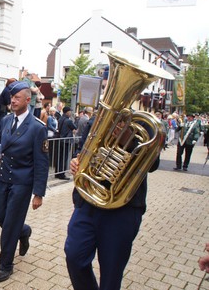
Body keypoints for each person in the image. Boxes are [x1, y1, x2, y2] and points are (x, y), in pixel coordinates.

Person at [65, 118, 160, 290]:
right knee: (74, 256)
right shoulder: (96, 120)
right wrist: (75, 162)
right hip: (88, 202)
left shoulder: (144, 125)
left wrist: (128, 140)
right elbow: (82, 152)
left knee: (111, 274)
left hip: (122, 208)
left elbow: (153, 164)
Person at [0, 81, 49, 283]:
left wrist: (38, 193)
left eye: (16, 98)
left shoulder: (37, 127)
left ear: (27, 99)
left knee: (10, 225)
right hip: (4, 177)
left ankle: (6, 265)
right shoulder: (6, 121)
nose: (12, 101)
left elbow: (42, 163)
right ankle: (24, 231)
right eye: (11, 98)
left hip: (22, 182)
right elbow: (0, 144)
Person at [55, 106, 77, 180]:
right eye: (70, 111)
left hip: (60, 140)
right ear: (67, 112)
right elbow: (74, 127)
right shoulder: (68, 121)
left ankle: (57, 173)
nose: (71, 113)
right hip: (66, 141)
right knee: (64, 158)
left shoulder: (60, 119)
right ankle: (62, 174)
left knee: (59, 157)